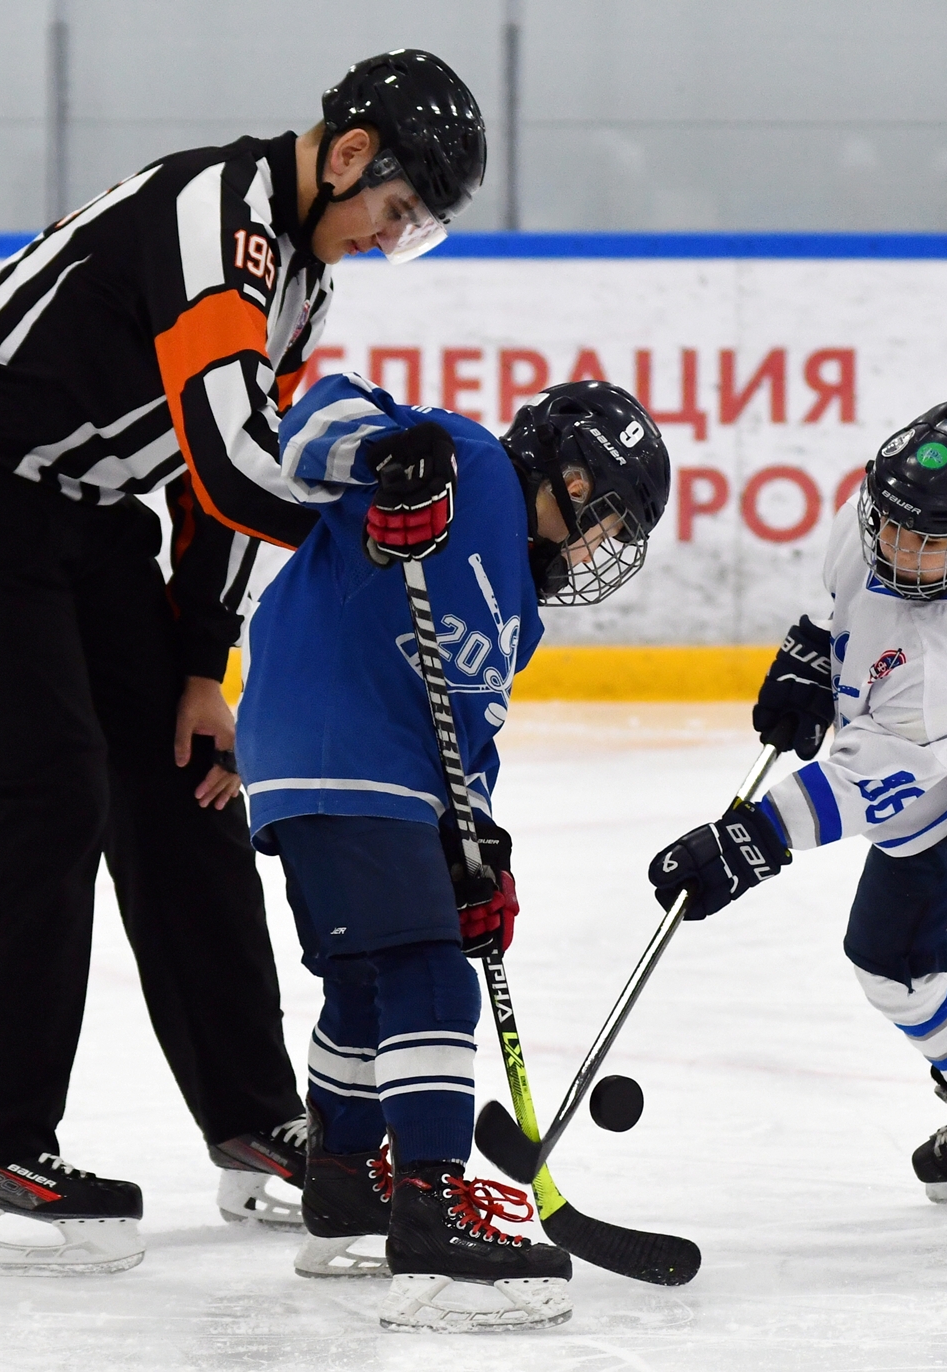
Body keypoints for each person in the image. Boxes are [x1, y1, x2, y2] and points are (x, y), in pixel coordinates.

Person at [0, 50, 486, 1274]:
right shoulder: (218, 216)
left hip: (84, 517)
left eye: (411, 231)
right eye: (396, 211)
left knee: (189, 789)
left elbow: (226, 492)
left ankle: (254, 1123)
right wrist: (373, 505)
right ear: (350, 153)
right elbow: (235, 457)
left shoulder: (301, 279)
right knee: (37, 801)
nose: (385, 239)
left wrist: (202, 662)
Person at [647, 397, 947, 1247]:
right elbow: (839, 603)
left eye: (930, 541)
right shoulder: (876, 519)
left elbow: (869, 775)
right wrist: (810, 658)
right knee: (888, 968)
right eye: (893, 526)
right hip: (929, 787)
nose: (901, 549)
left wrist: (752, 839)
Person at [233, 375, 671, 1331]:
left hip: (363, 774)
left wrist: (478, 847)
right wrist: (390, 457)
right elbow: (311, 425)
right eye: (606, 520)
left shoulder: (521, 613)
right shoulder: (468, 462)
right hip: (338, 745)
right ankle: (431, 1213)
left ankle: (344, 1183)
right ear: (572, 476)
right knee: (430, 976)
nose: (598, 547)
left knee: (365, 979)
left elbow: (469, 738)